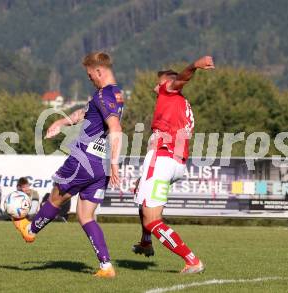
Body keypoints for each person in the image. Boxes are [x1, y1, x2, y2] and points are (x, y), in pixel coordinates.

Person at [12, 52, 123, 278]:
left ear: (99, 71)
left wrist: (115, 163)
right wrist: (62, 122)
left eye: (90, 74)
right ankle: (106, 266)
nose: (89, 78)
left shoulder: (104, 95)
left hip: (84, 159)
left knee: (56, 197)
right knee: (85, 216)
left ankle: (30, 230)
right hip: (98, 167)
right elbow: (85, 113)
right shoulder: (114, 94)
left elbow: (116, 129)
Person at [132, 55, 215, 274]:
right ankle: (146, 241)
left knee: (152, 220)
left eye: (159, 81)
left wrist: (194, 66)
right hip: (176, 163)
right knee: (141, 193)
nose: (155, 85)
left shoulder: (170, 91)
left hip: (162, 158)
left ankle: (192, 260)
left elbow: (180, 80)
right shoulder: (181, 103)